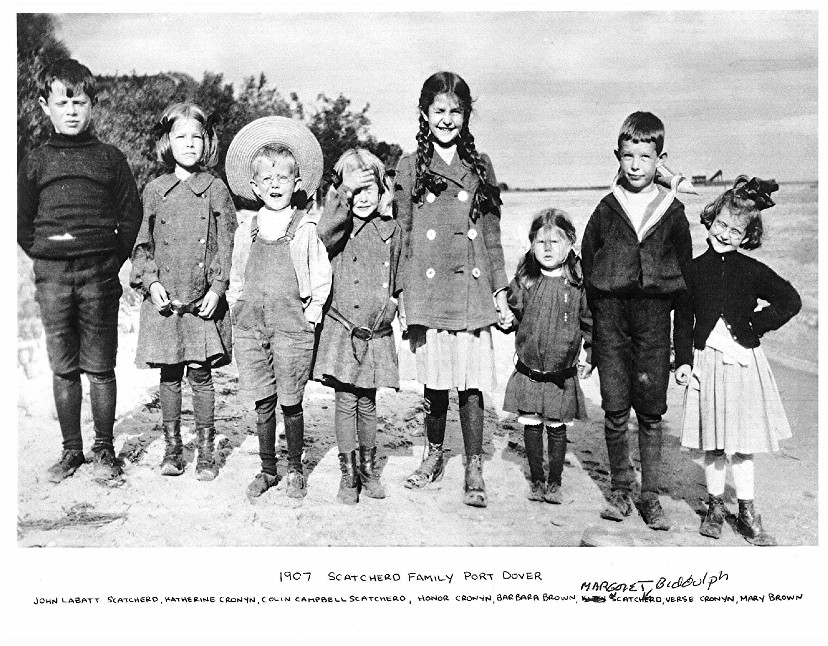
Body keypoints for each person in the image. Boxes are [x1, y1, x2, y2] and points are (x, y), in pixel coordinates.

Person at [17, 59, 142, 483]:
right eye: (62, 102)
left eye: (80, 102)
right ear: (44, 106)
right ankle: (72, 451)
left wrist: (109, 259)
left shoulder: (110, 158)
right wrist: (47, 253)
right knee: (64, 366)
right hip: (52, 277)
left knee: (100, 366)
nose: (71, 111)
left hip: (99, 275)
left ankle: (104, 449)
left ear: (92, 105)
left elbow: (130, 215)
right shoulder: (35, 161)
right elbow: (21, 221)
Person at [395, 71, 512, 508]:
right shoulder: (409, 166)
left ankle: (474, 464)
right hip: (427, 291)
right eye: (439, 110)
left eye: (456, 112)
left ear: (466, 116)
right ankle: (433, 455)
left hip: (471, 290)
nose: (447, 119)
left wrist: (500, 290)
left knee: (471, 383)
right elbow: (402, 234)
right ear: (425, 114)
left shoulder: (481, 165)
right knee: (435, 381)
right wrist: (400, 293)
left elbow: (492, 234)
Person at [580, 111, 692, 529]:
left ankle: (650, 497)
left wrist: (684, 352)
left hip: (653, 319)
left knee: (650, 410)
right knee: (614, 407)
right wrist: (590, 338)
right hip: (610, 319)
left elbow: (686, 286)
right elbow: (587, 268)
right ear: (618, 156)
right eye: (628, 156)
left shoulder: (673, 211)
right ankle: (620, 489)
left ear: (660, 160)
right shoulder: (607, 209)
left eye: (645, 157)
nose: (635, 165)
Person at [674, 177, 800, 546]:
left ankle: (746, 511)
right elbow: (682, 320)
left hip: (745, 364)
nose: (725, 234)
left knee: (744, 444)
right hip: (707, 364)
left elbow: (790, 300)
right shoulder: (692, 270)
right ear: (710, 220)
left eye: (736, 230)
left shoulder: (752, 269)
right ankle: (714, 507)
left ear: (747, 236)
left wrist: (755, 325)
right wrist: (683, 360)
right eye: (721, 224)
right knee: (713, 444)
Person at [225, 116, 331, 500]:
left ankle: (295, 469)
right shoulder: (247, 228)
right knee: (263, 399)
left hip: (291, 326)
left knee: (290, 399)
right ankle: (268, 468)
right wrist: (237, 307)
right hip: (252, 325)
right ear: (254, 186)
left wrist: (313, 312)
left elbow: (321, 274)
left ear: (296, 183)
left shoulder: (304, 227)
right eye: (267, 179)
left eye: (282, 178)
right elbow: (237, 274)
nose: (275, 185)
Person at [130, 102, 236, 480]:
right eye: (181, 137)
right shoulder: (155, 190)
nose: (189, 144)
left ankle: (205, 452)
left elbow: (226, 244)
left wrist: (218, 288)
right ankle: (173, 449)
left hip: (201, 300)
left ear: (207, 142)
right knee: (170, 374)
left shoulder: (216, 189)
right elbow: (142, 245)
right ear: (167, 142)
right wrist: (152, 282)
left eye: (197, 137)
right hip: (166, 302)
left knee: (201, 374)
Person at [314, 149, 402, 504]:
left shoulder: (391, 229)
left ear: (383, 191)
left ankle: (368, 470)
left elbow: (400, 274)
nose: (363, 197)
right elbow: (322, 235)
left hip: (375, 332)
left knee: (367, 401)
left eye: (370, 189)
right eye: (355, 190)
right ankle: (348, 473)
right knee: (345, 400)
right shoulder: (338, 229)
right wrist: (342, 193)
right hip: (342, 329)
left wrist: (396, 303)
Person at [502, 209, 592, 504]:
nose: (548, 248)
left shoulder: (577, 283)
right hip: (529, 371)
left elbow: (589, 322)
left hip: (561, 375)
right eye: (541, 242)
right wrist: (505, 319)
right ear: (531, 244)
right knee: (531, 425)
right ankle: (537, 480)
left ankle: (555, 481)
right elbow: (513, 316)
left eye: (556, 242)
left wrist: (591, 354)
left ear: (570, 244)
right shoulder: (525, 280)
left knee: (556, 427)